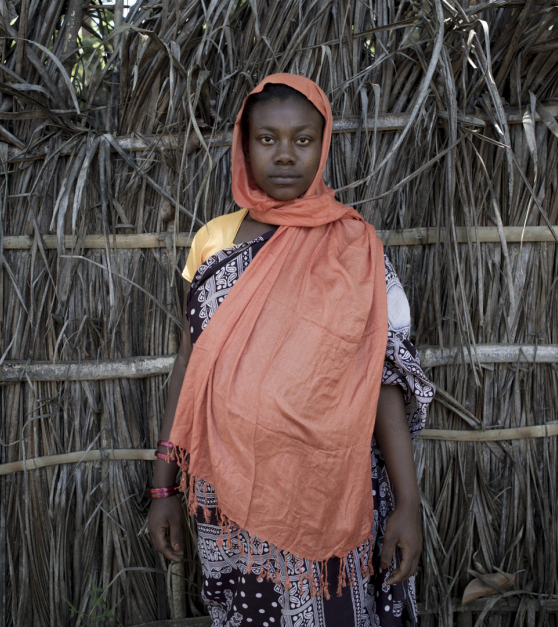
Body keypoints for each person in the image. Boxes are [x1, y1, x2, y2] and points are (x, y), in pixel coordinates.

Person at [147, 73, 435, 627]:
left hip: (333, 491)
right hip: (227, 497)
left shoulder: (357, 244)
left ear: (323, 146)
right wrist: (163, 484)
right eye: (267, 139)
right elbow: (190, 361)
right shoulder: (214, 242)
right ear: (244, 145)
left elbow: (381, 376)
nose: (284, 156)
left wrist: (406, 502)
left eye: (302, 140)